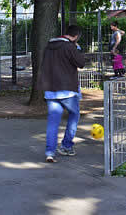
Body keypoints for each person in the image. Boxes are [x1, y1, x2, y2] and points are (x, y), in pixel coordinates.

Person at [40, 24, 85, 163]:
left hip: (51, 90)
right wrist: (77, 49)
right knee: (74, 114)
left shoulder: (49, 46)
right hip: (67, 90)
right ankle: (66, 145)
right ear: (76, 36)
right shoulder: (70, 47)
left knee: (53, 122)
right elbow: (81, 63)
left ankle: (50, 152)